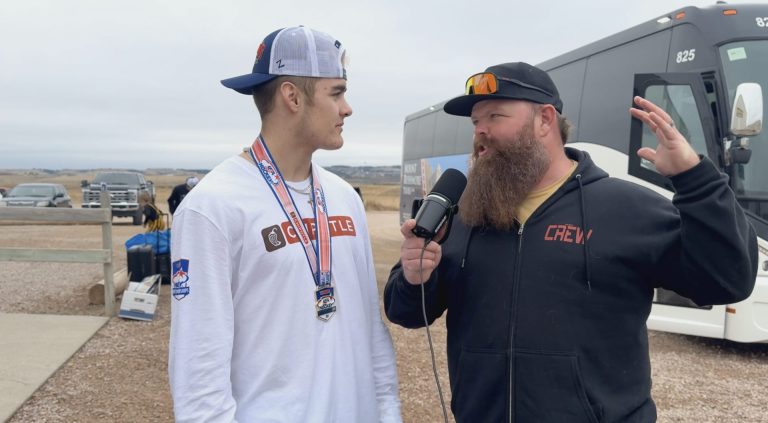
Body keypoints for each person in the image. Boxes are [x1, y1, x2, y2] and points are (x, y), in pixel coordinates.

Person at [384, 62, 757, 422]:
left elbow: (725, 280)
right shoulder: (463, 213)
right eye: (476, 121)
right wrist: (416, 277)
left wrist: (697, 181)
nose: (480, 131)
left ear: (545, 120)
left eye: (495, 117)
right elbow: (406, 312)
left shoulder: (627, 208)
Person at [168, 26, 401, 422]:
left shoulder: (345, 198)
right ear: (292, 96)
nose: (347, 108)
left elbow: (369, 328)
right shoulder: (212, 207)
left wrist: (388, 413)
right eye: (337, 92)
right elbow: (198, 373)